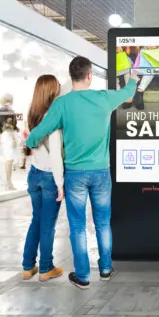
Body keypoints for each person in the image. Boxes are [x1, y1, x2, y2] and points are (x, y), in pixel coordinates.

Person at [26, 56, 139, 289]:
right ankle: (106, 269)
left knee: (77, 227)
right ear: (90, 76)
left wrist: (31, 140)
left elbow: (39, 133)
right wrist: (133, 80)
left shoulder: (62, 104)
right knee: (103, 223)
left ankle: (83, 276)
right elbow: (128, 92)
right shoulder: (103, 98)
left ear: (71, 77)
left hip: (75, 175)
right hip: (101, 172)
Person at [22, 75, 65, 282]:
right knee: (48, 224)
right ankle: (46, 268)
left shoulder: (31, 114)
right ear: (51, 91)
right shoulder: (52, 117)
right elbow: (55, 154)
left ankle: (27, 266)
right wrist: (60, 183)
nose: (59, 89)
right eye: (57, 87)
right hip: (49, 175)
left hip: (34, 173)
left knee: (36, 220)